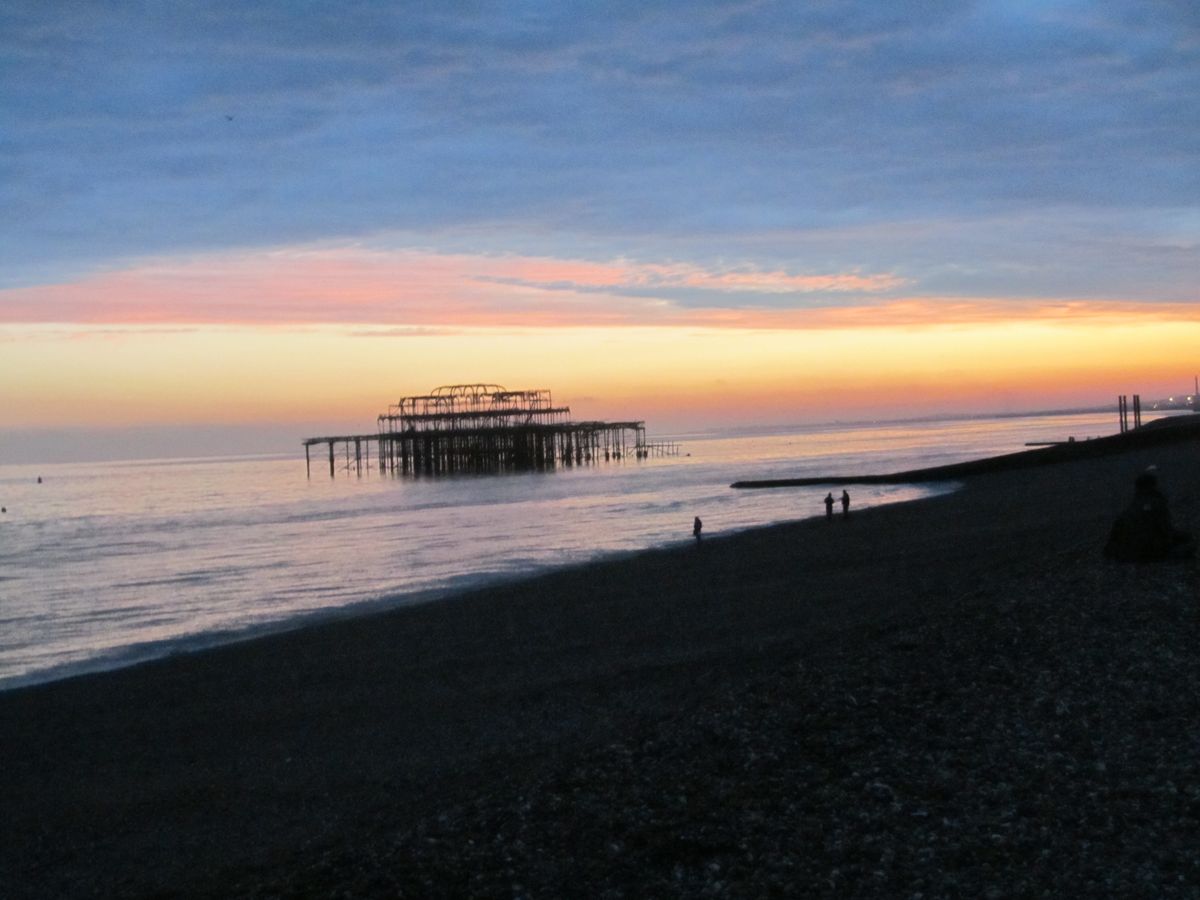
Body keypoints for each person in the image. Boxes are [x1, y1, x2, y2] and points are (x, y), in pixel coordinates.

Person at [1104, 467, 1195, 562]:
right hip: (1149, 551)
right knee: (1189, 543)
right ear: (1154, 486)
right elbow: (1165, 530)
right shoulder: (1157, 503)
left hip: (1127, 551)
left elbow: (1114, 536)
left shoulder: (1132, 506)